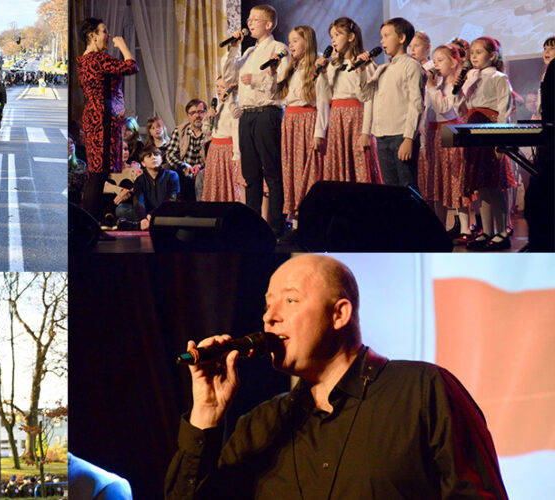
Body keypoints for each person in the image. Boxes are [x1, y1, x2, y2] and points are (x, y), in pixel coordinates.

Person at [163, 254, 509, 499]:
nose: (270, 317)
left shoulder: (423, 390)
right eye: (268, 304)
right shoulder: (260, 425)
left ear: (339, 314)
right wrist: (205, 414)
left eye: (291, 300)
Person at [222, 5, 290, 236]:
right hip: (247, 114)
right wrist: (232, 50)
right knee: (250, 174)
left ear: (269, 24)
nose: (250, 23)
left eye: (255, 20)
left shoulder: (279, 48)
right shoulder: (249, 51)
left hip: (267, 113)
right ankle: (251, 227)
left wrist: (257, 79)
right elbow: (231, 76)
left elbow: (281, 79)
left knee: (271, 171)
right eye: (249, 20)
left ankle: (278, 225)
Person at [77, 17, 139, 219]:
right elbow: (131, 66)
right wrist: (122, 45)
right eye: (104, 31)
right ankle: (88, 225)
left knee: (98, 173)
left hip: (97, 117)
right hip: (101, 120)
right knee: (98, 174)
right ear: (92, 36)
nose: (108, 35)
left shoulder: (85, 60)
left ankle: (90, 225)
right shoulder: (97, 60)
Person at [457, 37, 514, 251]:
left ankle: (501, 232)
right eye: (472, 52)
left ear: (492, 55)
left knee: (493, 184)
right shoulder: (470, 76)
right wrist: (457, 89)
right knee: (481, 186)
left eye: (479, 52)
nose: (473, 56)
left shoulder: (499, 77)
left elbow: (504, 109)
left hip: (490, 130)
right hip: (473, 130)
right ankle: (486, 231)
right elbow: (461, 106)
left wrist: (500, 139)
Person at [356, 17, 424, 191]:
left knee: (407, 186)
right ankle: (395, 219)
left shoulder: (411, 66)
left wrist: (409, 138)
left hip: (401, 135)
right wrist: (362, 71)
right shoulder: (382, 68)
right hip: (382, 136)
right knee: (390, 189)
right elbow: (365, 95)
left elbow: (416, 104)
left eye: (386, 36)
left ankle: (411, 219)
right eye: (381, 36)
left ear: (401, 38)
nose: (381, 41)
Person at [315, 17, 382, 188]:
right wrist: (322, 73)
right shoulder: (333, 66)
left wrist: (366, 131)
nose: (333, 40)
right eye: (331, 37)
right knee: (339, 166)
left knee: (360, 166)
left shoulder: (365, 63)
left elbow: (370, 98)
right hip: (337, 119)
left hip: (356, 118)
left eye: (337, 35)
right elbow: (326, 96)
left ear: (351, 37)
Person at [277, 26, 329, 222]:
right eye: (289, 41)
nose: (291, 44)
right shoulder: (291, 68)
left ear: (307, 42)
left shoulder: (317, 66)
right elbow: (280, 97)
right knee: (291, 169)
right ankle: (294, 218)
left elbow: (323, 102)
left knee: (307, 171)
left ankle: (308, 217)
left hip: (307, 121)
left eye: (295, 40)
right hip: (290, 121)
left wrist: (319, 133)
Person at [422, 44, 469, 235]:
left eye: (440, 60)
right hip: (434, 137)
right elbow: (427, 114)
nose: (436, 64)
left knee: (457, 184)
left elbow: (444, 108)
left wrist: (432, 89)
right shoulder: (436, 86)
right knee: (438, 185)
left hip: (450, 136)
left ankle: (465, 228)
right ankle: (439, 229)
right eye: (434, 60)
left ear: (454, 61)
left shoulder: (454, 87)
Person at [114, 147, 179, 230]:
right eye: (149, 156)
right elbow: (139, 201)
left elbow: (171, 200)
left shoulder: (172, 175)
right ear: (143, 163)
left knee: (176, 213)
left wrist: (152, 214)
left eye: (156, 155)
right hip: (147, 213)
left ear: (161, 160)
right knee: (121, 209)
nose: (153, 157)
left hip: (164, 212)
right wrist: (143, 218)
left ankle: (136, 226)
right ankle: (147, 223)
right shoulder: (140, 180)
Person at [202, 76, 244, 203]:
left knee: (228, 182)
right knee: (215, 182)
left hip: (227, 149)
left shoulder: (234, 107)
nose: (219, 90)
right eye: (217, 86)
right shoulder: (216, 106)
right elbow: (207, 131)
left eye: (223, 87)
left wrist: (236, 155)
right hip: (214, 149)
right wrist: (209, 118)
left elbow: (236, 132)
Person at [164, 99, 209, 202]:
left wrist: (201, 166)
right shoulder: (180, 131)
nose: (197, 116)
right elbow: (170, 154)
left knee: (201, 175)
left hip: (204, 169)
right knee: (167, 170)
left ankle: (201, 212)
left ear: (206, 113)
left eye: (201, 112)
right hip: (184, 168)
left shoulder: (212, 131)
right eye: (193, 113)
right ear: (188, 116)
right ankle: (173, 210)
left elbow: (214, 156)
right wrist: (184, 166)